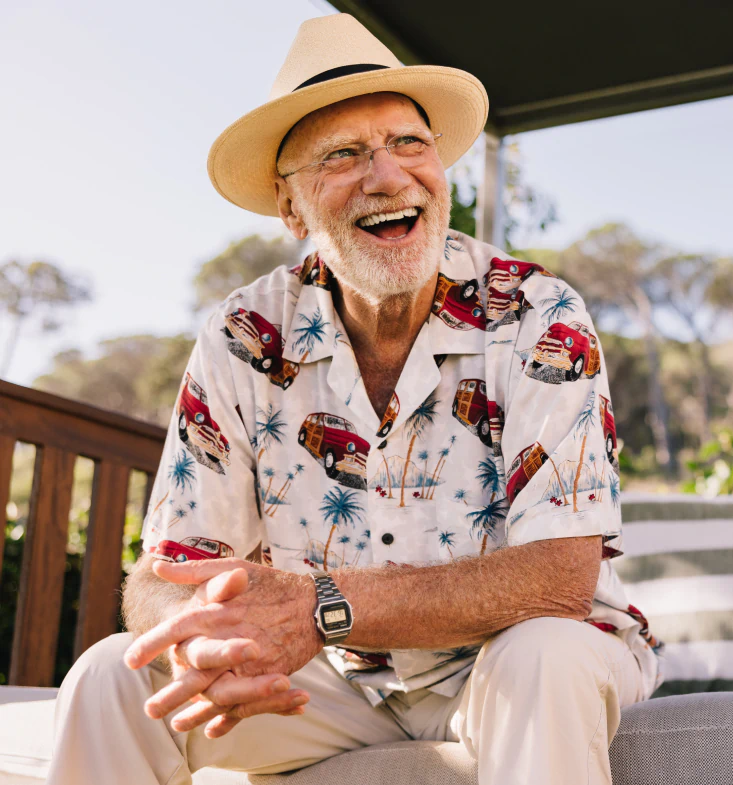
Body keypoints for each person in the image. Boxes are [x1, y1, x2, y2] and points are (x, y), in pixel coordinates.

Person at [47, 14, 659, 785]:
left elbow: (559, 576)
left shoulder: (537, 313)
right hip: (339, 681)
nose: (387, 175)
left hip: (511, 653)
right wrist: (202, 636)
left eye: (409, 143)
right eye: (343, 154)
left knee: (545, 653)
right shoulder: (243, 334)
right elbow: (169, 573)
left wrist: (318, 605)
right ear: (291, 208)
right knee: (110, 678)